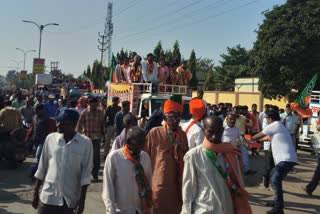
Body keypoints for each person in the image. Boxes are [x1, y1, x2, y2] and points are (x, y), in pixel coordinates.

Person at [181, 115, 252, 214]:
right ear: (203, 130)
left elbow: (238, 181)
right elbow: (188, 188)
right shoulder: (193, 155)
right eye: (210, 132)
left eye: (218, 132)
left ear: (223, 131)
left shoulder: (231, 153)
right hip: (204, 209)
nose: (214, 136)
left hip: (227, 208)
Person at [32, 110, 93, 214]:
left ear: (74, 125)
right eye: (58, 121)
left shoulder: (85, 143)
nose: (58, 125)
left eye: (64, 123)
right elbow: (42, 168)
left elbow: (85, 175)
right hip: (48, 197)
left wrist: (82, 202)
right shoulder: (50, 139)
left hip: (69, 200)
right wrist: (35, 192)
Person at [144, 94, 188, 214]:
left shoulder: (183, 135)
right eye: (172, 116)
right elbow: (143, 158)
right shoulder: (155, 133)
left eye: (178, 116)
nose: (175, 120)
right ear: (165, 116)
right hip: (158, 186)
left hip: (177, 186)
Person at [253, 109, 297, 214]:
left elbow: (260, 135)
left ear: (270, 118)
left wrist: (251, 139)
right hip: (287, 159)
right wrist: (257, 140)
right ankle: (277, 202)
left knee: (275, 180)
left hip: (285, 159)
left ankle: (279, 208)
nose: (266, 120)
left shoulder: (275, 125)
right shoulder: (279, 126)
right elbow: (268, 137)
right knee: (275, 179)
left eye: (267, 118)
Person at [102, 127, 152, 213]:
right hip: (121, 211)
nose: (143, 146)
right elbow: (108, 187)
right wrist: (111, 210)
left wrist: (150, 209)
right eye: (139, 142)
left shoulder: (145, 157)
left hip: (140, 210)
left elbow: (148, 184)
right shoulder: (114, 158)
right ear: (128, 141)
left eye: (144, 142)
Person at [76, 97, 105, 180]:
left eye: (96, 104)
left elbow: (102, 124)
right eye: (94, 103)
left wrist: (104, 134)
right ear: (89, 104)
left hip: (97, 137)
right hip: (87, 138)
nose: (95, 105)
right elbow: (79, 124)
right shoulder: (84, 113)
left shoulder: (100, 113)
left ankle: (95, 172)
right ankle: (85, 174)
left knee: (96, 157)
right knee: (86, 157)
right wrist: (78, 135)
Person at [30, 104, 56, 176]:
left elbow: (51, 130)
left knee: (38, 157)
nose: (35, 112)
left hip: (43, 141)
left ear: (41, 110)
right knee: (39, 157)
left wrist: (50, 140)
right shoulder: (35, 117)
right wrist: (28, 137)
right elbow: (32, 127)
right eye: (34, 110)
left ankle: (34, 172)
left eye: (36, 110)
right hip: (36, 140)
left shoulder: (47, 118)